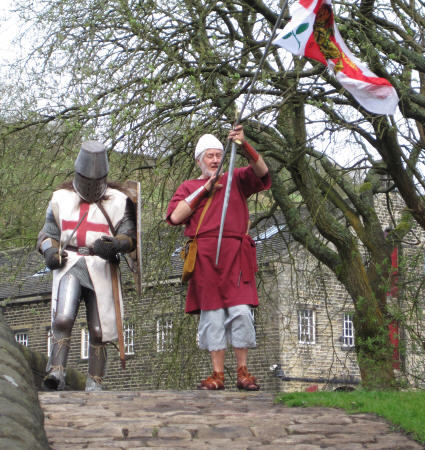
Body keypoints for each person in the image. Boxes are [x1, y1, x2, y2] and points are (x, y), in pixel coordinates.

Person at [166, 124, 270, 390]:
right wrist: (205, 190)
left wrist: (245, 146)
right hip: (205, 259)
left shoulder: (235, 179)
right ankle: (217, 374)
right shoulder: (189, 186)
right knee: (212, 315)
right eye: (209, 156)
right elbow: (176, 216)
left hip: (235, 255)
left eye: (217, 155)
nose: (214, 160)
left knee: (240, 312)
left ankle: (243, 372)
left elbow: (263, 172)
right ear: (200, 160)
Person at [37, 141, 136, 391]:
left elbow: (130, 237)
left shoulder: (118, 201)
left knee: (98, 326)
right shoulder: (60, 199)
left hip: (101, 267)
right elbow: (48, 233)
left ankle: (95, 381)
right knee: (63, 318)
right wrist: (50, 252)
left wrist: (114, 245)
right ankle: (56, 371)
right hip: (70, 262)